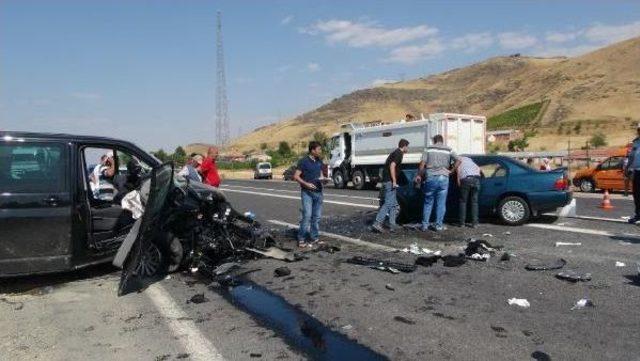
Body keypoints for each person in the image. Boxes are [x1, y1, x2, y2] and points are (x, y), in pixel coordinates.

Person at [414, 135, 460, 232]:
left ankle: (425, 225)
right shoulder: (449, 149)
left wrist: (419, 175)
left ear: (434, 141)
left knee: (428, 202)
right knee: (441, 203)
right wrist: (451, 171)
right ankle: (438, 226)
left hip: (431, 176)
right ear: (442, 141)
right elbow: (459, 160)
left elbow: (422, 163)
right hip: (444, 177)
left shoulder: (428, 149)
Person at [371, 139, 410, 233]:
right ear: (404, 146)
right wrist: (394, 180)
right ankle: (377, 223)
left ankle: (392, 224)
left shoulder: (395, 153)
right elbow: (392, 166)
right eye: (407, 146)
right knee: (389, 203)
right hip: (389, 181)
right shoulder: (399, 154)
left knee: (393, 204)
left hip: (386, 180)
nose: (408, 149)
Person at [293, 141, 325, 248]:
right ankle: (301, 239)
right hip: (307, 193)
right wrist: (306, 184)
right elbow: (296, 176)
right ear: (312, 150)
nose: (320, 151)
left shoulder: (319, 161)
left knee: (317, 217)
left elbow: (320, 175)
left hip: (319, 193)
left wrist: (324, 180)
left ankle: (314, 238)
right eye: (319, 149)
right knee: (307, 216)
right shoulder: (303, 161)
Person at [455, 156, 481, 228]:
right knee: (474, 202)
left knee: (463, 202)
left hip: (466, 179)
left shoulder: (458, 161)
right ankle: (475, 224)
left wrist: (458, 180)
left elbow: (458, 172)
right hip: (476, 179)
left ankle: (462, 223)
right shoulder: (471, 162)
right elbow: (479, 169)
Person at [624, 123, 640, 223]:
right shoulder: (635, 142)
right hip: (637, 172)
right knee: (636, 194)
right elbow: (631, 157)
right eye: (639, 130)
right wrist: (627, 167)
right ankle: (638, 215)